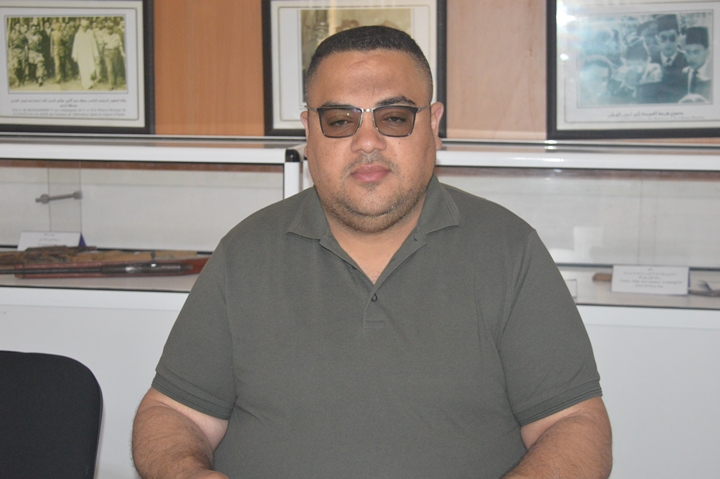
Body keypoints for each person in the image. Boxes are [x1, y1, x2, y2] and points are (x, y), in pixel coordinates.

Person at [132, 26, 612, 479]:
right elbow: (173, 412)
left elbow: (574, 424)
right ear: (308, 132)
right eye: (340, 120)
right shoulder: (244, 252)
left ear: (434, 125)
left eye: (394, 118)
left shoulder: (509, 250)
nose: (367, 142)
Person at [679, 26, 712, 103]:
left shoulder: (713, 75)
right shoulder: (683, 74)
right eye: (688, 52)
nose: (691, 57)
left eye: (696, 52)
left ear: (707, 52)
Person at [71, 18, 99, 89]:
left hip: (89, 54)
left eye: (86, 27)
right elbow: (75, 45)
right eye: (83, 27)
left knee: (90, 68)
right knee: (83, 69)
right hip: (81, 55)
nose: (84, 28)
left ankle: (89, 81)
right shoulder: (78, 35)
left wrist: (95, 54)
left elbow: (93, 44)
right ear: (81, 26)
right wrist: (75, 55)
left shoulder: (90, 33)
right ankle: (85, 84)